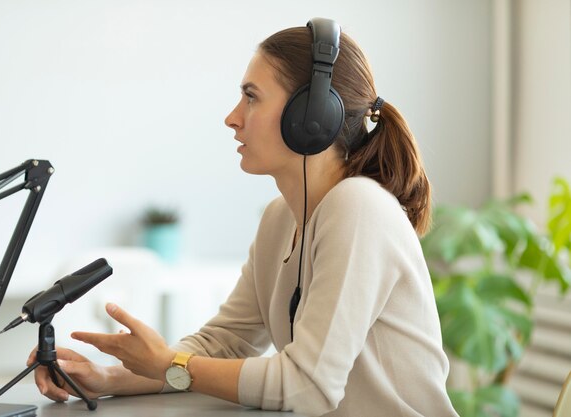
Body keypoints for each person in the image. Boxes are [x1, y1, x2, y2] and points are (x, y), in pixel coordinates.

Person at [29, 18, 458, 417]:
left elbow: (309, 385)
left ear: (310, 118)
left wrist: (169, 363)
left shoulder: (359, 208)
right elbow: (227, 342)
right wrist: (108, 378)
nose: (232, 118)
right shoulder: (280, 219)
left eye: (251, 97)